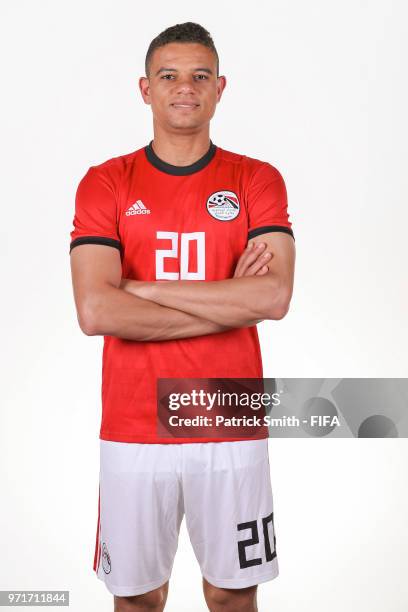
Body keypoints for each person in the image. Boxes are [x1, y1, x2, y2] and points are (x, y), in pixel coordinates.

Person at [69, 21, 295, 612]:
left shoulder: (256, 179)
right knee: (139, 597)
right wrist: (227, 300)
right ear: (145, 89)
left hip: (229, 415)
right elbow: (95, 309)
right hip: (134, 421)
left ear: (221, 87)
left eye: (200, 76)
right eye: (169, 76)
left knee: (229, 592)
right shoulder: (106, 182)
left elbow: (272, 298)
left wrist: (140, 291)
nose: (185, 88)